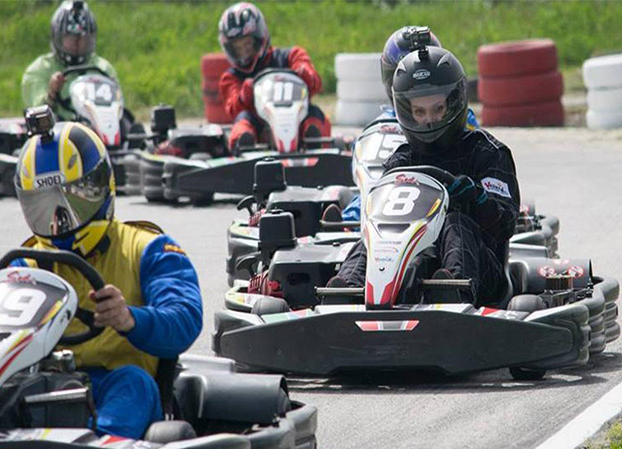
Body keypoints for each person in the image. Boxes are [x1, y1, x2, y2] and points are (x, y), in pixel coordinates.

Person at [8, 112, 202, 439]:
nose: (60, 221)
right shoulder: (25, 266)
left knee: (134, 383)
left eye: (72, 200)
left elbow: (185, 319)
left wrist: (131, 319)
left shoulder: (148, 249)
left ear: (102, 188)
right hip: (46, 389)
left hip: (119, 386)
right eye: (45, 206)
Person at [332, 45, 520, 307]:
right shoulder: (401, 159)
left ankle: (453, 292)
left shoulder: (487, 153)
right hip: (411, 271)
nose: (429, 121)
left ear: (454, 102)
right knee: (376, 235)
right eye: (419, 112)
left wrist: (475, 199)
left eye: (437, 108)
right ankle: (345, 295)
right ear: (405, 111)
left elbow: (506, 225)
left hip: (481, 275)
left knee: (456, 222)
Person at [341, 26, 480, 222]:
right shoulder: (380, 123)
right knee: (362, 204)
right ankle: (356, 224)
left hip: (445, 190)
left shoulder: (458, 117)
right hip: (389, 190)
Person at [217, 2, 331, 153]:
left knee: (313, 112)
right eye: (238, 48)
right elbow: (232, 108)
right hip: (260, 129)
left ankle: (314, 144)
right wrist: (246, 93)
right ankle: (244, 147)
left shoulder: (291, 56)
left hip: (296, 118)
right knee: (243, 119)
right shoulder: (231, 77)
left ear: (259, 37)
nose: (244, 52)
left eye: (248, 44)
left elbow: (316, 84)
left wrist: (304, 73)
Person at [21, 0, 120, 121]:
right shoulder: (38, 70)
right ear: (58, 37)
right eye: (71, 37)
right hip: (60, 134)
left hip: (97, 127)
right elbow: (37, 115)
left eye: (82, 38)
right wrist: (52, 92)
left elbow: (117, 105)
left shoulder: (103, 68)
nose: (77, 43)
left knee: (128, 123)